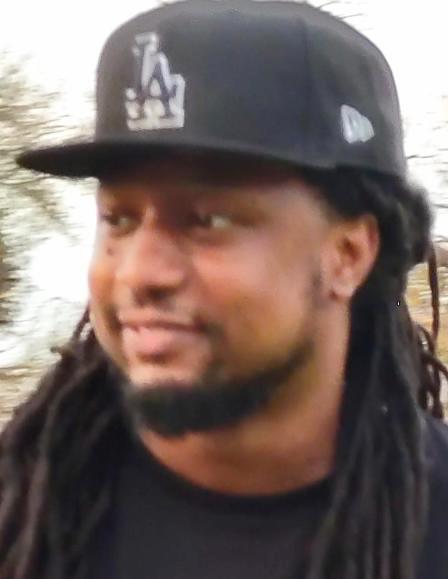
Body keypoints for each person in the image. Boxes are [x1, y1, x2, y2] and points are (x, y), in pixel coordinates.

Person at [3, 1, 448, 578]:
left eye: (208, 220)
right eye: (119, 219)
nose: (139, 272)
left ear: (348, 255)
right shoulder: (24, 514)